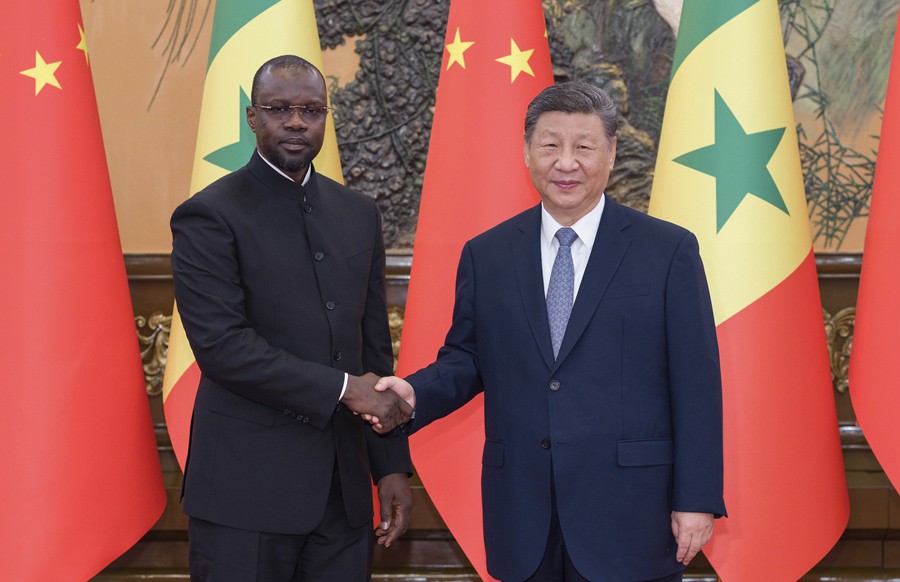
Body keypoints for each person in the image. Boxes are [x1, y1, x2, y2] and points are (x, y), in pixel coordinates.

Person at [371, 82, 725, 581]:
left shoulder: (667, 251)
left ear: (611, 152)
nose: (566, 163)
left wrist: (697, 498)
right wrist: (414, 393)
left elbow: (696, 385)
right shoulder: (488, 254)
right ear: (526, 151)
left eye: (584, 147)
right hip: (523, 511)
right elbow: (468, 358)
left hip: (631, 513)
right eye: (551, 145)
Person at [170, 55, 413, 581]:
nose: (297, 122)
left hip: (344, 496)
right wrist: (345, 389)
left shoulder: (358, 213)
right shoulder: (209, 214)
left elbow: (373, 349)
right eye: (279, 109)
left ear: (326, 116)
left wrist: (391, 466)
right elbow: (224, 348)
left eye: (311, 110)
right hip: (245, 494)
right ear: (252, 117)